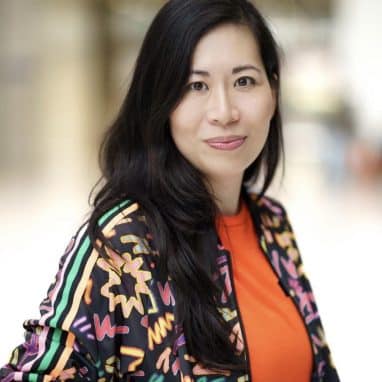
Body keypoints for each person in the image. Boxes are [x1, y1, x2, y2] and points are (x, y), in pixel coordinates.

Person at [0, 0, 340, 381]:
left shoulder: (272, 224)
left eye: (244, 81)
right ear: (162, 103)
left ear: (273, 90)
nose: (224, 112)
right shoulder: (119, 245)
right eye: (196, 85)